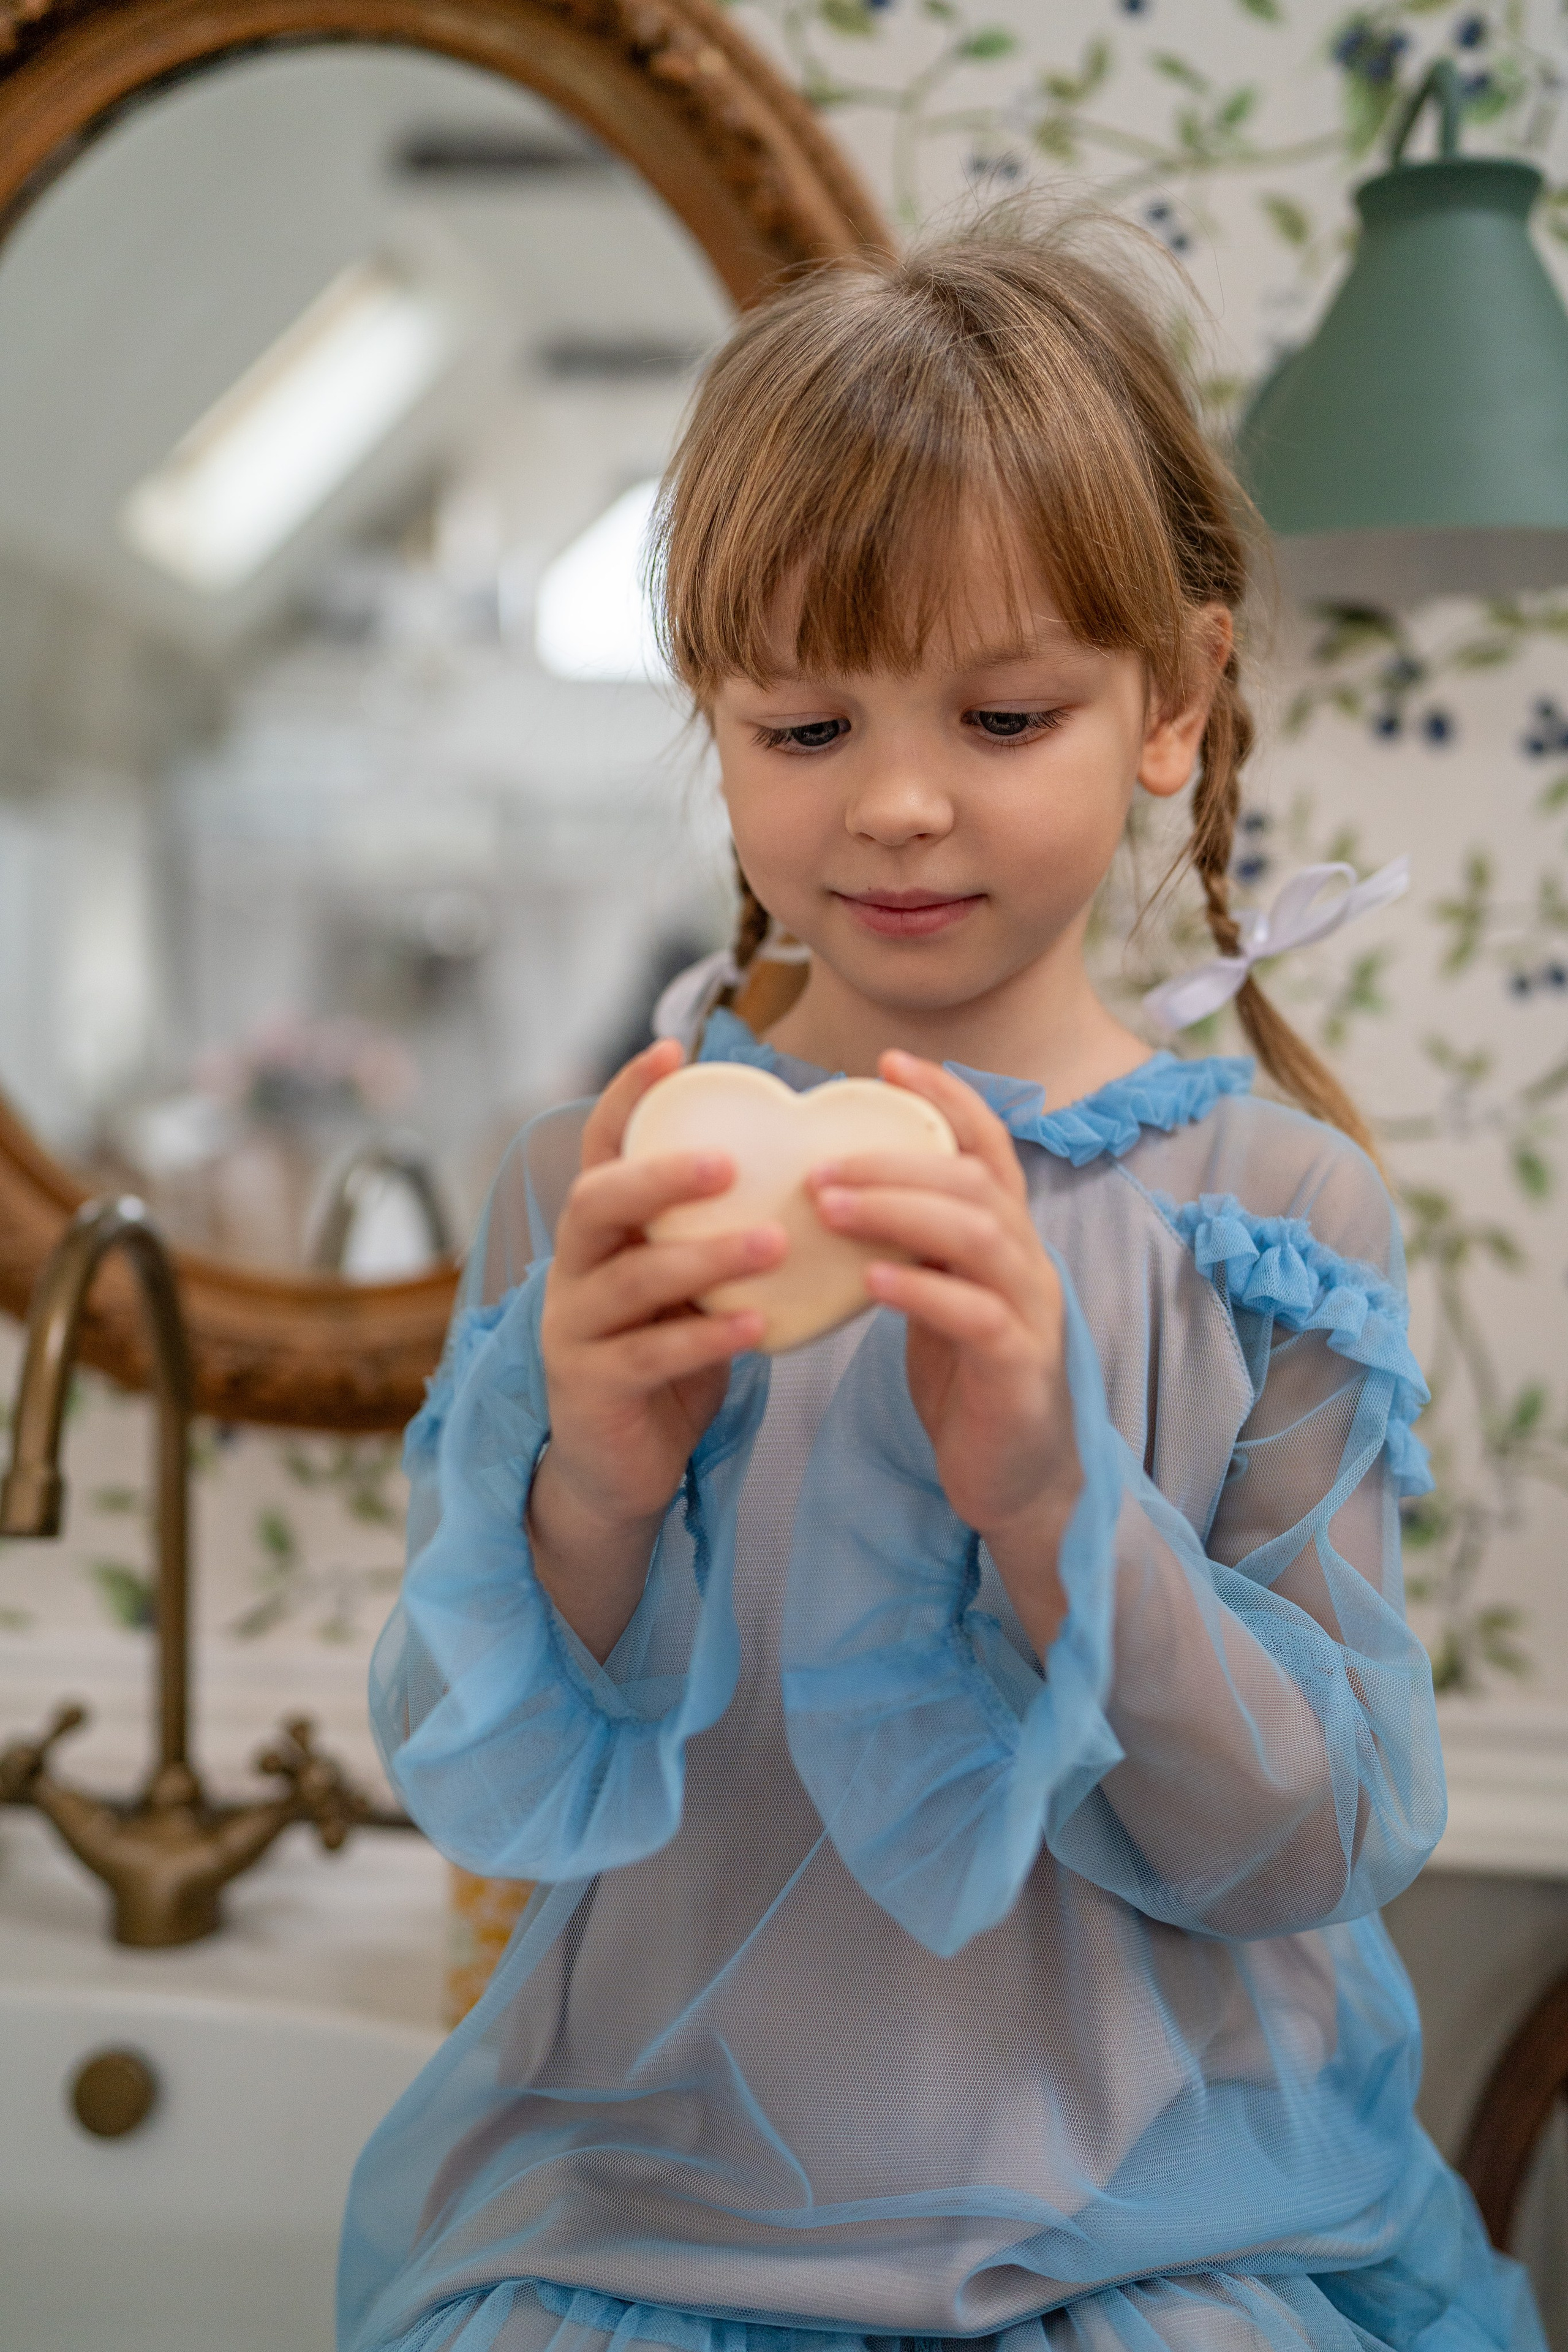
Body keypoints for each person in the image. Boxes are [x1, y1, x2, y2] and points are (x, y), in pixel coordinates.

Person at [339, 222, 1542, 2352]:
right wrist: (594, 1486)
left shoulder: (1273, 1215)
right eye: (805, 725)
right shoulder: (593, 1190)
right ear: (714, 723)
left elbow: (1306, 1845)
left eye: (1002, 714)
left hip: (1150, 2256)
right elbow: (482, 1783)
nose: (898, 804)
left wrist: (1060, 1506)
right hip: (643, 2238)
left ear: (1174, 701)